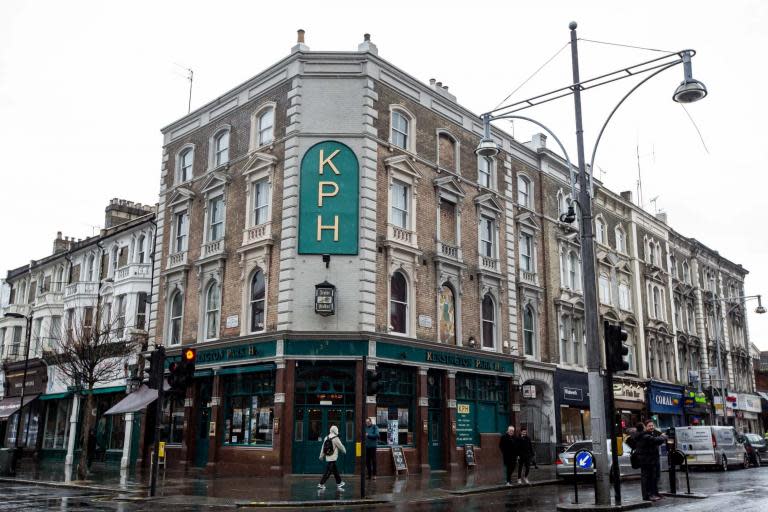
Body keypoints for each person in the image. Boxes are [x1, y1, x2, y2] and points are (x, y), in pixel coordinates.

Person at [635, 420, 666, 502]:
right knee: (646, 478)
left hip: (652, 459)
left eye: (652, 425)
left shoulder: (647, 434)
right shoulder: (644, 436)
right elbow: (656, 440)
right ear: (644, 427)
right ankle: (647, 495)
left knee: (654, 477)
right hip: (646, 460)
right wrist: (663, 437)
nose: (651, 427)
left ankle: (654, 493)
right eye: (649, 426)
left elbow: (654, 442)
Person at [318, 425, 347, 490]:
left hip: (328, 456)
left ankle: (339, 482)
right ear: (336, 430)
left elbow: (323, 448)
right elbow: (341, 446)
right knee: (328, 471)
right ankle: (321, 484)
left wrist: (321, 456)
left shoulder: (326, 437)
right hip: (333, 457)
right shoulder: (335, 438)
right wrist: (344, 451)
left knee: (335, 471)